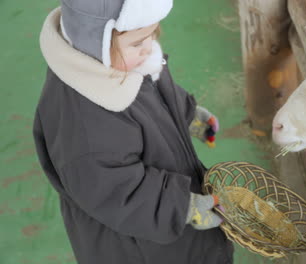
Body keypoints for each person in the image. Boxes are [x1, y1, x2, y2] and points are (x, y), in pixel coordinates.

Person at [32, 0, 233, 263]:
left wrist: (187, 113)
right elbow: (115, 190)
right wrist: (181, 207)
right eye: (138, 43)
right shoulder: (85, 126)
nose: (149, 49)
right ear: (96, 42)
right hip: (139, 246)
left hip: (168, 223)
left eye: (153, 35)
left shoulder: (121, 61)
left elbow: (151, 92)